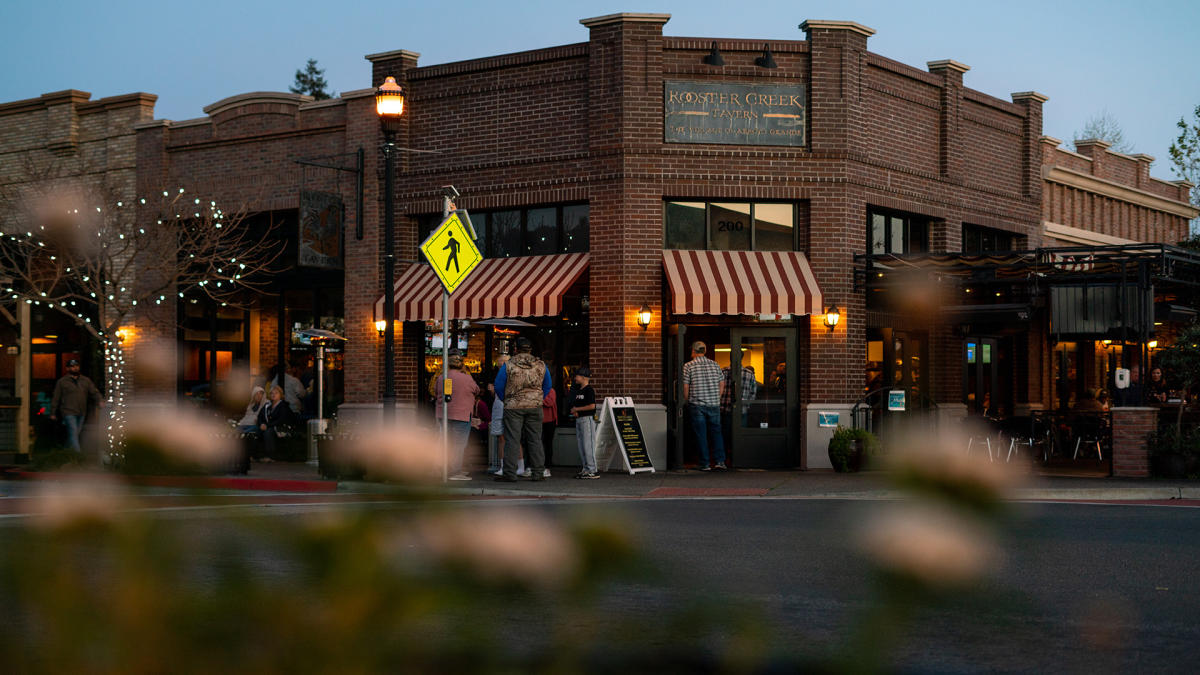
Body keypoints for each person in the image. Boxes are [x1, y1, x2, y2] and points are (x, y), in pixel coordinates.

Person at [494, 337, 551, 482]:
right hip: (535, 406)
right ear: (530, 349)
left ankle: (509, 474)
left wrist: (506, 400)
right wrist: (538, 398)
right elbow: (548, 385)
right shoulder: (541, 365)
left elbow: (499, 386)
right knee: (535, 439)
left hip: (513, 406)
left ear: (515, 349)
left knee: (512, 440)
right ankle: (538, 473)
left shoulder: (508, 365)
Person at [435, 349, 480, 481]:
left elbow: (436, 391)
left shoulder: (441, 377)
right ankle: (454, 471)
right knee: (458, 444)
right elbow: (476, 390)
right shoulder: (467, 378)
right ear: (461, 364)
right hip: (461, 414)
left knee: (446, 442)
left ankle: (445, 469)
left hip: (444, 414)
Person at [682, 341, 726, 471]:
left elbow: (686, 386)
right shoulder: (715, 364)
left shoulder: (688, 366)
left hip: (697, 404)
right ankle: (720, 461)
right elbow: (722, 383)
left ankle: (705, 463)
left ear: (693, 351)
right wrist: (717, 397)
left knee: (701, 434)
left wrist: (686, 401)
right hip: (714, 404)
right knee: (716, 433)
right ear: (705, 351)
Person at [49, 358, 103, 455]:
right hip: (68, 412)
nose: (75, 368)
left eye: (76, 366)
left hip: (81, 412)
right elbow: (56, 397)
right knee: (73, 433)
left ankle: (63, 453)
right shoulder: (62, 382)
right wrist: (53, 412)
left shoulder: (86, 380)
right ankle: (79, 457)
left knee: (74, 435)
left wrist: (99, 400)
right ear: (67, 368)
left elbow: (94, 392)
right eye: (72, 366)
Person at [568, 367, 599, 479]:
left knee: (588, 445)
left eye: (577, 376)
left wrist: (577, 409)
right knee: (582, 446)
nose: (575, 378)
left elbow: (592, 406)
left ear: (583, 377)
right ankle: (585, 469)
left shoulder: (589, 390)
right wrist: (575, 411)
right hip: (579, 419)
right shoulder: (578, 390)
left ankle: (592, 470)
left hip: (587, 419)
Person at [256, 387, 295, 461]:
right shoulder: (267, 405)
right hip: (269, 427)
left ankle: (270, 456)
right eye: (271, 393)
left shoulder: (283, 406)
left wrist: (267, 425)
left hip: (283, 428)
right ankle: (255, 455)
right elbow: (260, 416)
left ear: (281, 395)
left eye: (276, 393)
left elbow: (281, 420)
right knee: (255, 431)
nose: (273, 395)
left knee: (268, 432)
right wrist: (261, 424)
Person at [486, 382, 506, 476]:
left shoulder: (502, 376)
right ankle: (518, 466)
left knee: (502, 439)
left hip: (501, 411)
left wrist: (494, 390)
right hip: (510, 410)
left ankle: (503, 467)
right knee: (513, 439)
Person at [541, 383, 558, 476]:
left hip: (549, 421)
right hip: (537, 421)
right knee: (536, 444)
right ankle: (534, 466)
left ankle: (547, 468)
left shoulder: (551, 390)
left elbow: (549, 402)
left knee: (548, 444)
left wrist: (537, 398)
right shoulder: (535, 391)